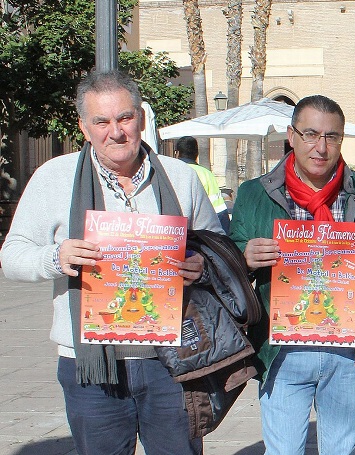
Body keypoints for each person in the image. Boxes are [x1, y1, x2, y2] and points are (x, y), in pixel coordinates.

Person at [0, 69, 222, 454]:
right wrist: (57, 256)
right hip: (90, 369)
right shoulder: (53, 177)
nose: (115, 131)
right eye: (101, 121)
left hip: (173, 362)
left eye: (124, 117)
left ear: (141, 118)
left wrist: (201, 264)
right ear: (84, 127)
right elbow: (12, 257)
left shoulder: (180, 177)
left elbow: (215, 246)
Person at [229, 94, 355, 455]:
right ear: (291, 136)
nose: (321, 147)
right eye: (310, 134)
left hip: (349, 351)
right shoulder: (253, 194)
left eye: (332, 137)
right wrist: (244, 259)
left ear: (341, 140)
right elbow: (228, 266)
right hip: (280, 351)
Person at [175, 136, 231, 232]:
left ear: (177, 153)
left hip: (174, 230)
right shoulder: (207, 174)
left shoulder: (170, 172)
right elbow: (219, 210)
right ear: (197, 154)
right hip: (200, 233)